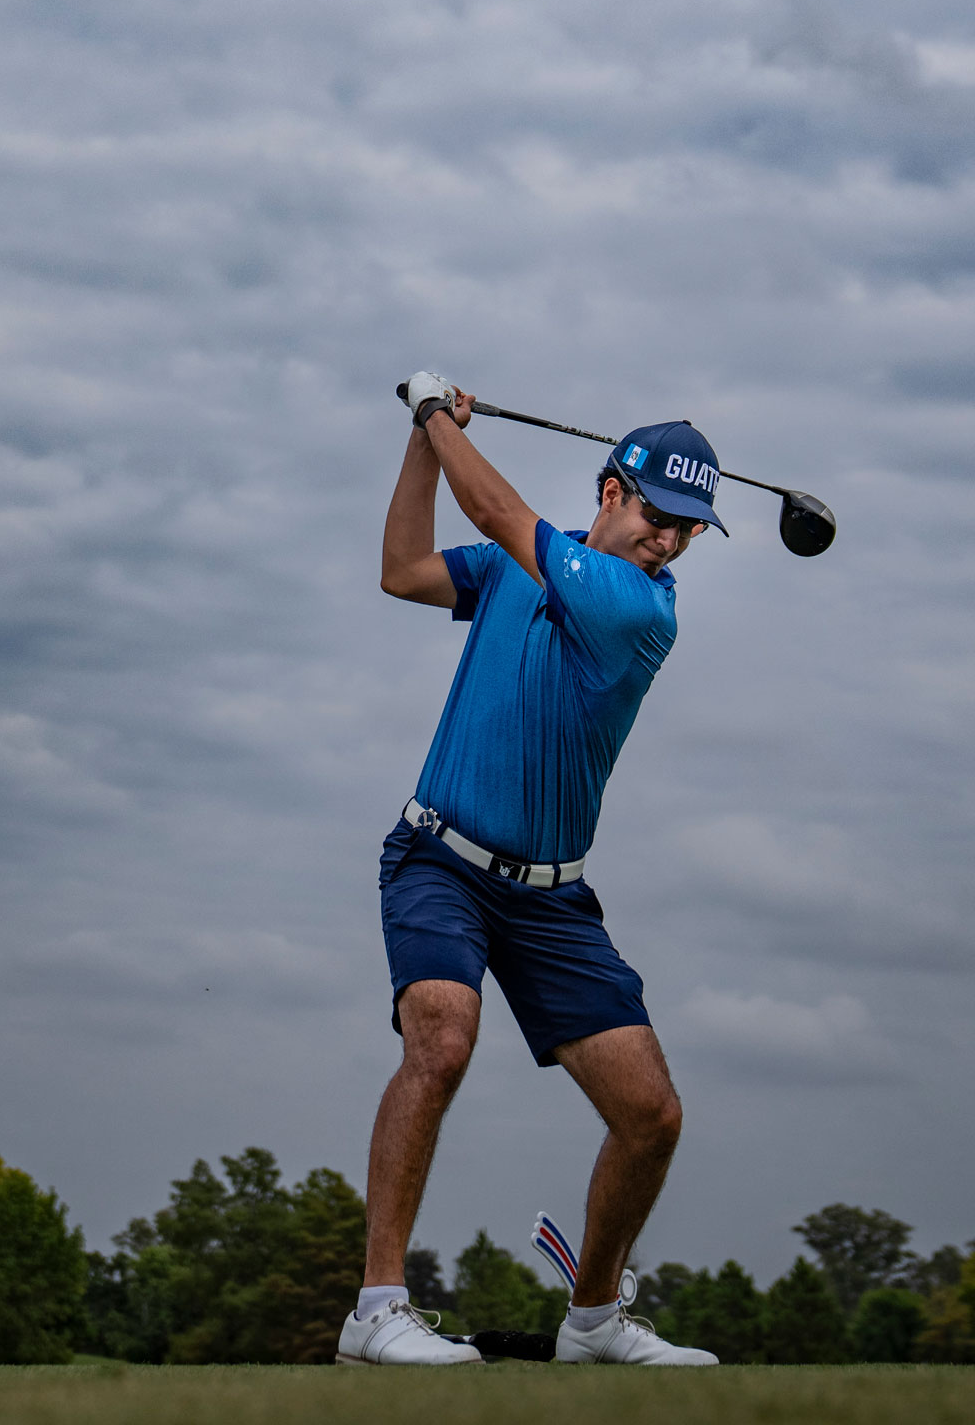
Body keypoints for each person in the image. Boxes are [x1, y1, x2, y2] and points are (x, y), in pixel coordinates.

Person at [335, 374, 727, 1368]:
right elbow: (405, 569)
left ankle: (593, 1316)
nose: (669, 539)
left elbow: (499, 510)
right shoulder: (524, 565)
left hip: (552, 898)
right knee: (442, 1037)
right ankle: (376, 1308)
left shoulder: (636, 606)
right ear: (610, 491)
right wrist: (424, 445)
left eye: (688, 528)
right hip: (439, 858)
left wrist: (429, 411)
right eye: (657, 513)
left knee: (651, 1112)